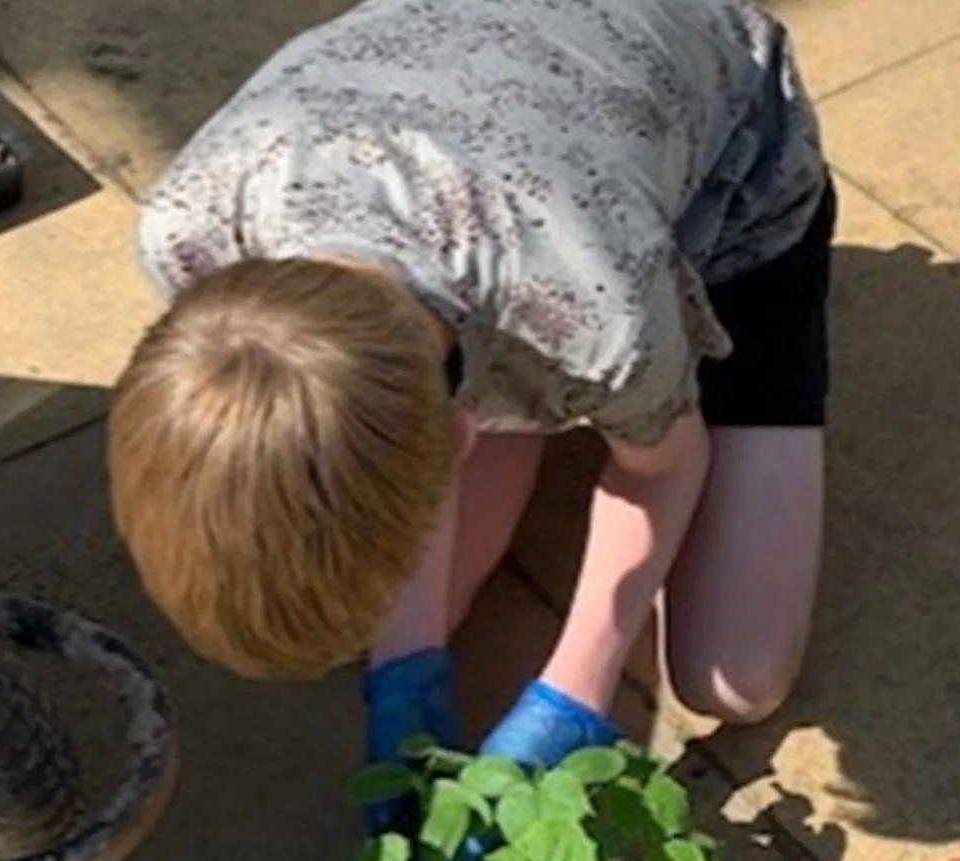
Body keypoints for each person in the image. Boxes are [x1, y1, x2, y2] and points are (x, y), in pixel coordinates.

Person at [107, 0, 833, 805]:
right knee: (387, 621)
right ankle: (512, 415)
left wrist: (577, 691)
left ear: (464, 431)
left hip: (729, 164)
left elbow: (666, 465)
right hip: (486, 106)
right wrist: (403, 669)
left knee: (736, 678)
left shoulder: (593, 303)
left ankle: (558, 389)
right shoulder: (189, 233)